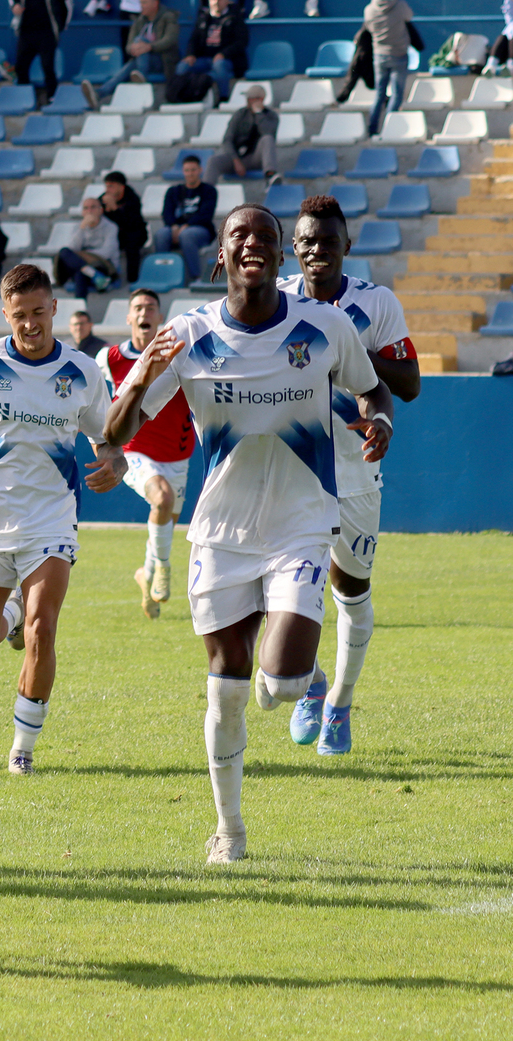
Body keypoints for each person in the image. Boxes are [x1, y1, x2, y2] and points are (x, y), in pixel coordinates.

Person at [104, 204, 394, 863]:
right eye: (240, 234)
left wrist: (382, 423)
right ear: (222, 256)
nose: (253, 243)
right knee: (225, 690)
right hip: (221, 533)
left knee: (285, 681)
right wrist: (143, 377)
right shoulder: (188, 333)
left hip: (299, 524)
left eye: (266, 235)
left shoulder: (322, 327)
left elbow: (375, 391)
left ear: (280, 255)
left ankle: (288, 676)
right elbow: (116, 429)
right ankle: (229, 831)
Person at [0, 263, 124, 775]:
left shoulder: (83, 372)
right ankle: (11, 615)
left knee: (45, 630)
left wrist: (115, 461)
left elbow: (106, 438)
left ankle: (23, 749)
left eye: (39, 312)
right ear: (5, 314)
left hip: (50, 520)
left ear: (55, 309)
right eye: (20, 315)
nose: (31, 324)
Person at [275, 194, 420, 755]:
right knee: (277, 582)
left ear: (346, 247)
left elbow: (408, 382)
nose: (318, 251)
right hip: (288, 466)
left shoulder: (375, 303)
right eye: (307, 242)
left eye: (328, 241)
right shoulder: (278, 299)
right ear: (295, 248)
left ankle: (339, 700)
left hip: (356, 472)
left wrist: (352, 349)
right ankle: (310, 682)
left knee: (350, 589)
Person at [96, 287, 193, 619]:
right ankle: (164, 568)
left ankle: (146, 574)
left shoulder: (179, 353)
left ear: (160, 317)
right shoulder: (109, 359)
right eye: (137, 308)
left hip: (178, 454)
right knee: (162, 500)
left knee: (165, 520)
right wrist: (105, 449)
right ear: (128, 317)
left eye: (150, 308)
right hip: (135, 453)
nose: (143, 313)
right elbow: (98, 408)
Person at [176, 0, 247, 102]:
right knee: (182, 67)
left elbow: (241, 42)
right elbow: (193, 40)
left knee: (219, 65)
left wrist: (223, 54)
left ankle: (223, 98)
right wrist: (190, 55)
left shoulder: (235, 17)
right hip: (204, 59)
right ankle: (180, 97)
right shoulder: (203, 18)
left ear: (227, 0)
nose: (216, 2)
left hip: (227, 60)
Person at [156, 155, 216, 283]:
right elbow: (166, 213)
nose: (190, 174)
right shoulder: (173, 191)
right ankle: (162, 274)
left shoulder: (209, 191)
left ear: (200, 170)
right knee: (161, 235)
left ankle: (196, 276)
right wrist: (173, 226)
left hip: (201, 229)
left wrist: (186, 226)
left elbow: (205, 215)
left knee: (187, 235)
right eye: (187, 170)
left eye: (193, 170)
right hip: (176, 227)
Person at [102, 0, 179, 91]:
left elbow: (169, 40)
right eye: (140, 2)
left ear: (155, 3)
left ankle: (140, 77)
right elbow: (129, 45)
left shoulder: (168, 17)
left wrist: (149, 46)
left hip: (163, 61)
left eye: (144, 3)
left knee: (139, 42)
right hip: (143, 60)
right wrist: (133, 48)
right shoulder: (140, 20)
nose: (141, 6)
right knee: (137, 47)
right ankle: (100, 93)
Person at [205, 84, 277, 185]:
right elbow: (227, 139)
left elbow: (268, 132)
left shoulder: (271, 116)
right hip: (237, 156)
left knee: (267, 139)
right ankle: (206, 191)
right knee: (214, 161)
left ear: (260, 99)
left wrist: (259, 114)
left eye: (251, 98)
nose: (247, 100)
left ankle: (270, 175)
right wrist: (235, 160)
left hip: (255, 157)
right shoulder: (240, 114)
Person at [364, 0, 413, 136]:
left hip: (379, 55)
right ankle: (388, 128)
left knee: (379, 94)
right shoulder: (401, 5)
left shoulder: (369, 9)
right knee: (397, 94)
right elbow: (409, 17)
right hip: (399, 54)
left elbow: (369, 27)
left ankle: (372, 129)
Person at [7, 0, 67, 104]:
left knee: (48, 66)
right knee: (21, 66)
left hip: (47, 33)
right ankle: (24, 97)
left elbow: (67, 4)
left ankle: (52, 98)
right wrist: (15, 6)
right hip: (26, 33)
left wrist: (59, 27)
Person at [55, 195, 119, 296]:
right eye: (86, 208)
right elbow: (71, 249)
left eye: (93, 207)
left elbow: (107, 253)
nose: (89, 211)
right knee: (64, 252)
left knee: (80, 272)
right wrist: (82, 228)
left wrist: (84, 255)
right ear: (82, 212)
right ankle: (94, 275)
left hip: (102, 265)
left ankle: (79, 309)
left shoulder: (111, 227)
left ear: (101, 210)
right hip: (88, 268)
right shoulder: (79, 227)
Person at [100, 170, 146, 284]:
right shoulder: (102, 199)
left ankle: (132, 280)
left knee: (132, 243)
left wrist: (115, 209)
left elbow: (131, 223)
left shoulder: (133, 199)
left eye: (111, 186)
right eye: (106, 186)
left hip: (134, 233)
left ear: (121, 187)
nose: (108, 190)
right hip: (113, 234)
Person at [485, 0, 513, 75]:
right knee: (502, 37)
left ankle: (511, 66)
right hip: (506, 54)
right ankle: (490, 66)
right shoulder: (510, 26)